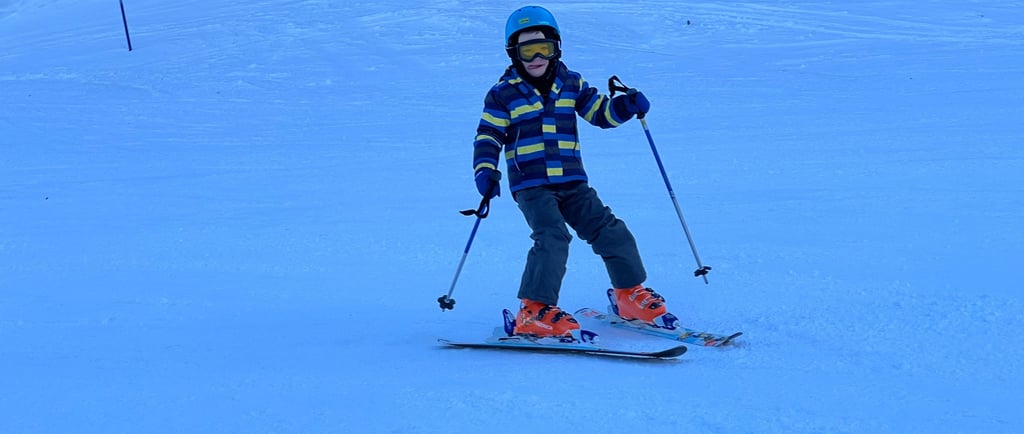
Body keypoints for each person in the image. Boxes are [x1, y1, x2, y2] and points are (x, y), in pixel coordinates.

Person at [472, 6, 678, 339]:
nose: (537, 57)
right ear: (513, 52)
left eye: (545, 48)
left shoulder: (571, 83)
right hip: (532, 185)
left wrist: (625, 107)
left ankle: (628, 295)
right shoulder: (502, 94)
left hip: (572, 181)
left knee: (611, 230)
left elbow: (600, 114)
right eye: (528, 50)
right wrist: (485, 171)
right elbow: (488, 135)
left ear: (557, 48)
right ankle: (533, 310)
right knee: (552, 236)